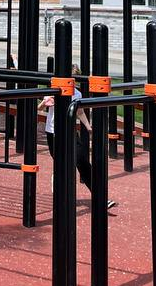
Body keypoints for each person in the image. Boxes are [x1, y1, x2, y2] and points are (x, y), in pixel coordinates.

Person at [40, 67, 115, 209]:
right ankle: (60, 196)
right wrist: (45, 103)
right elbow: (39, 109)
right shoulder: (54, 90)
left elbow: (80, 112)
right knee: (61, 164)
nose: (72, 82)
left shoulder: (77, 93)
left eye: (74, 80)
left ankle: (100, 197)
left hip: (70, 132)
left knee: (82, 162)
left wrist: (88, 126)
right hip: (53, 132)